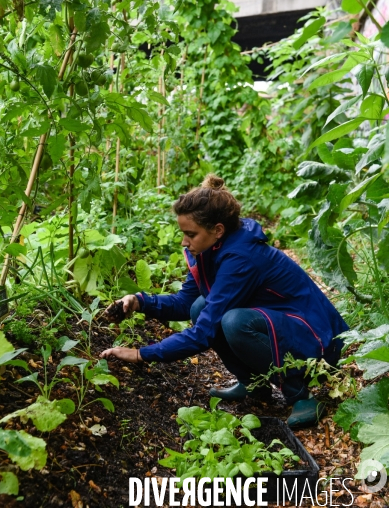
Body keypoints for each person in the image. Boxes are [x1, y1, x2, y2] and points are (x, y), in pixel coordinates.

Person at [100, 175, 348, 428]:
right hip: (283, 327)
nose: (184, 242)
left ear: (217, 230)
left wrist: (141, 354)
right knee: (200, 306)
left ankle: (301, 395)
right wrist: (141, 302)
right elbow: (186, 303)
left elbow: (203, 333)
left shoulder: (240, 257)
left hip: (318, 341)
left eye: (190, 234)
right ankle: (254, 385)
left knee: (234, 322)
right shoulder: (209, 248)